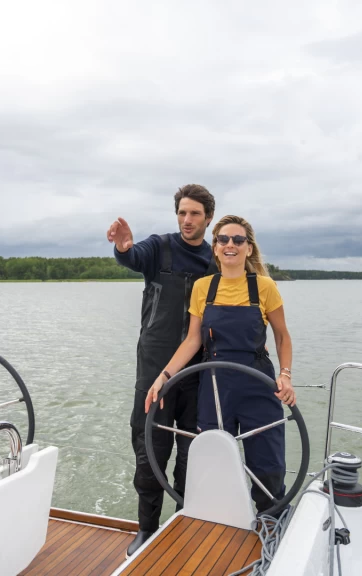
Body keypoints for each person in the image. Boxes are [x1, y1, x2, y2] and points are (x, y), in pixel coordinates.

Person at [145, 214, 295, 515]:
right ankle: (219, 522)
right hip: (214, 386)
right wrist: (164, 376)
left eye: (238, 240)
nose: (230, 245)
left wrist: (285, 375)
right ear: (215, 247)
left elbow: (282, 336)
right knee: (213, 461)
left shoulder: (264, 287)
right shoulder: (203, 288)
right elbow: (192, 340)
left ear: (248, 248)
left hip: (258, 385)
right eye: (223, 239)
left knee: (268, 464)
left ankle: (272, 521)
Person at [107, 184, 219, 557]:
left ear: (208, 218)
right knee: (149, 452)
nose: (187, 220)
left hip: (197, 373)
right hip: (153, 369)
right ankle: (147, 528)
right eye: (182, 213)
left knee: (191, 455)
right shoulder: (159, 247)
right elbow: (132, 256)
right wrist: (124, 247)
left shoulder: (215, 260)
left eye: (195, 214)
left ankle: (183, 524)